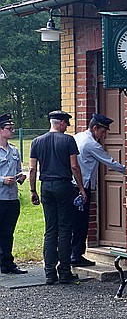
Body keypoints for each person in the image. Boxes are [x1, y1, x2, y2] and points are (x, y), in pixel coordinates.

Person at [30, 110, 87, 285]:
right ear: (61, 123)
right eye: (66, 124)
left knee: (50, 230)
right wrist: (81, 188)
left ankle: (49, 273)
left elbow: (32, 169)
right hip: (63, 186)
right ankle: (64, 272)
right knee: (64, 229)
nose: (66, 127)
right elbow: (74, 166)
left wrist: (33, 190)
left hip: (46, 186)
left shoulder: (36, 141)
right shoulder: (68, 140)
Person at [71, 113, 125, 267]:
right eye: (102, 131)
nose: (103, 135)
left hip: (73, 185)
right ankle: (76, 255)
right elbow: (110, 162)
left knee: (74, 222)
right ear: (95, 128)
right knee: (81, 222)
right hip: (82, 187)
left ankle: (71, 253)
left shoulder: (78, 137)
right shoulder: (91, 144)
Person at [0, 113, 27, 274]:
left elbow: (17, 170)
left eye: (13, 128)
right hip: (0, 197)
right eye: (9, 129)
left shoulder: (14, 150)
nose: (12, 131)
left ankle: (7, 263)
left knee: (8, 232)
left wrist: (21, 176)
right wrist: (2, 179)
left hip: (12, 198)